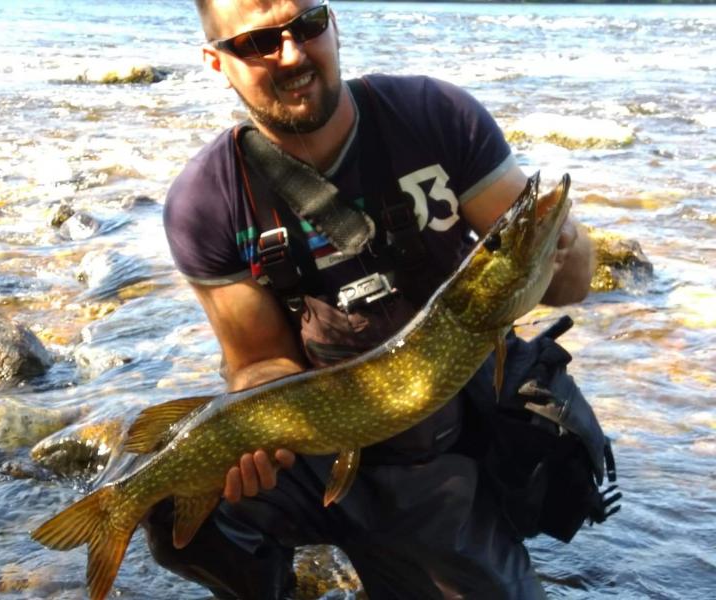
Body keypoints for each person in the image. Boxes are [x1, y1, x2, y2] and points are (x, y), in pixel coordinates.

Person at [149, 0, 595, 598]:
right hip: (318, 446)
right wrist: (257, 436)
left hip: (441, 451)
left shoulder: (435, 116)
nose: (292, 54)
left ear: (333, 25)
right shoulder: (206, 200)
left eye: (307, 26)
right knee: (170, 504)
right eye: (259, 43)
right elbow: (258, 360)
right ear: (216, 61)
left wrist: (567, 244)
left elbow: (569, 285)